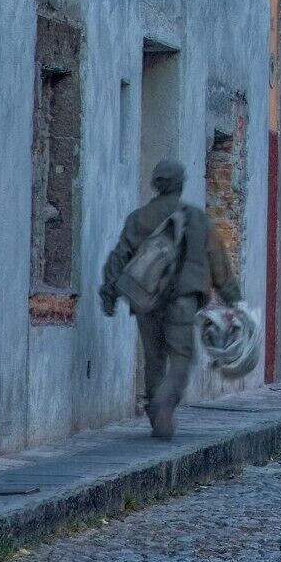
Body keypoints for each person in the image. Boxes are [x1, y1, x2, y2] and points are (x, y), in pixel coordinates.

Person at [101, 158, 241, 439]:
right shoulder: (197, 218)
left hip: (145, 299)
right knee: (181, 357)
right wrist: (233, 298)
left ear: (156, 185)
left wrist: (109, 293)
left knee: (154, 358)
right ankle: (165, 402)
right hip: (183, 299)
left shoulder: (138, 218)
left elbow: (119, 256)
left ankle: (156, 412)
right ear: (180, 185)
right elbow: (217, 261)